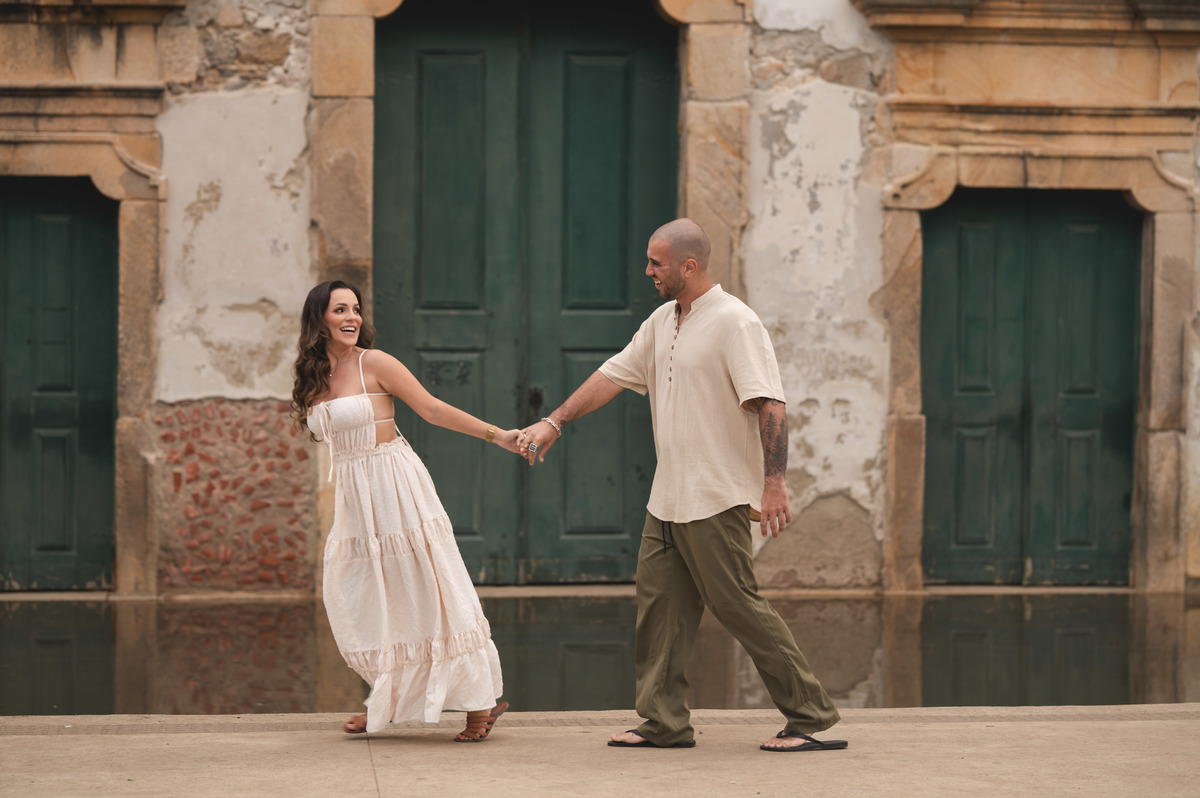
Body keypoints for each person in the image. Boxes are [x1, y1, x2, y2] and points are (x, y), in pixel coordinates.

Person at [519, 219, 846, 752]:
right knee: (660, 611)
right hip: (667, 499)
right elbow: (611, 376)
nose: (648, 271)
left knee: (738, 605)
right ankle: (664, 722)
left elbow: (771, 403)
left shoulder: (736, 323)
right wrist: (554, 421)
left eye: (657, 263)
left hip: (715, 497)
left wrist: (774, 482)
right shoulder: (661, 321)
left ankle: (809, 714)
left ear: (688, 267)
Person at [291, 280, 518, 741]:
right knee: (366, 593)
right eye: (340, 310)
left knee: (429, 585)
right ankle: (387, 699)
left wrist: (501, 436)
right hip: (356, 497)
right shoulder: (313, 376)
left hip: (395, 483)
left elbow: (432, 410)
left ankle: (481, 704)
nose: (352, 317)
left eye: (356, 309)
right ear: (319, 320)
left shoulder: (374, 363)